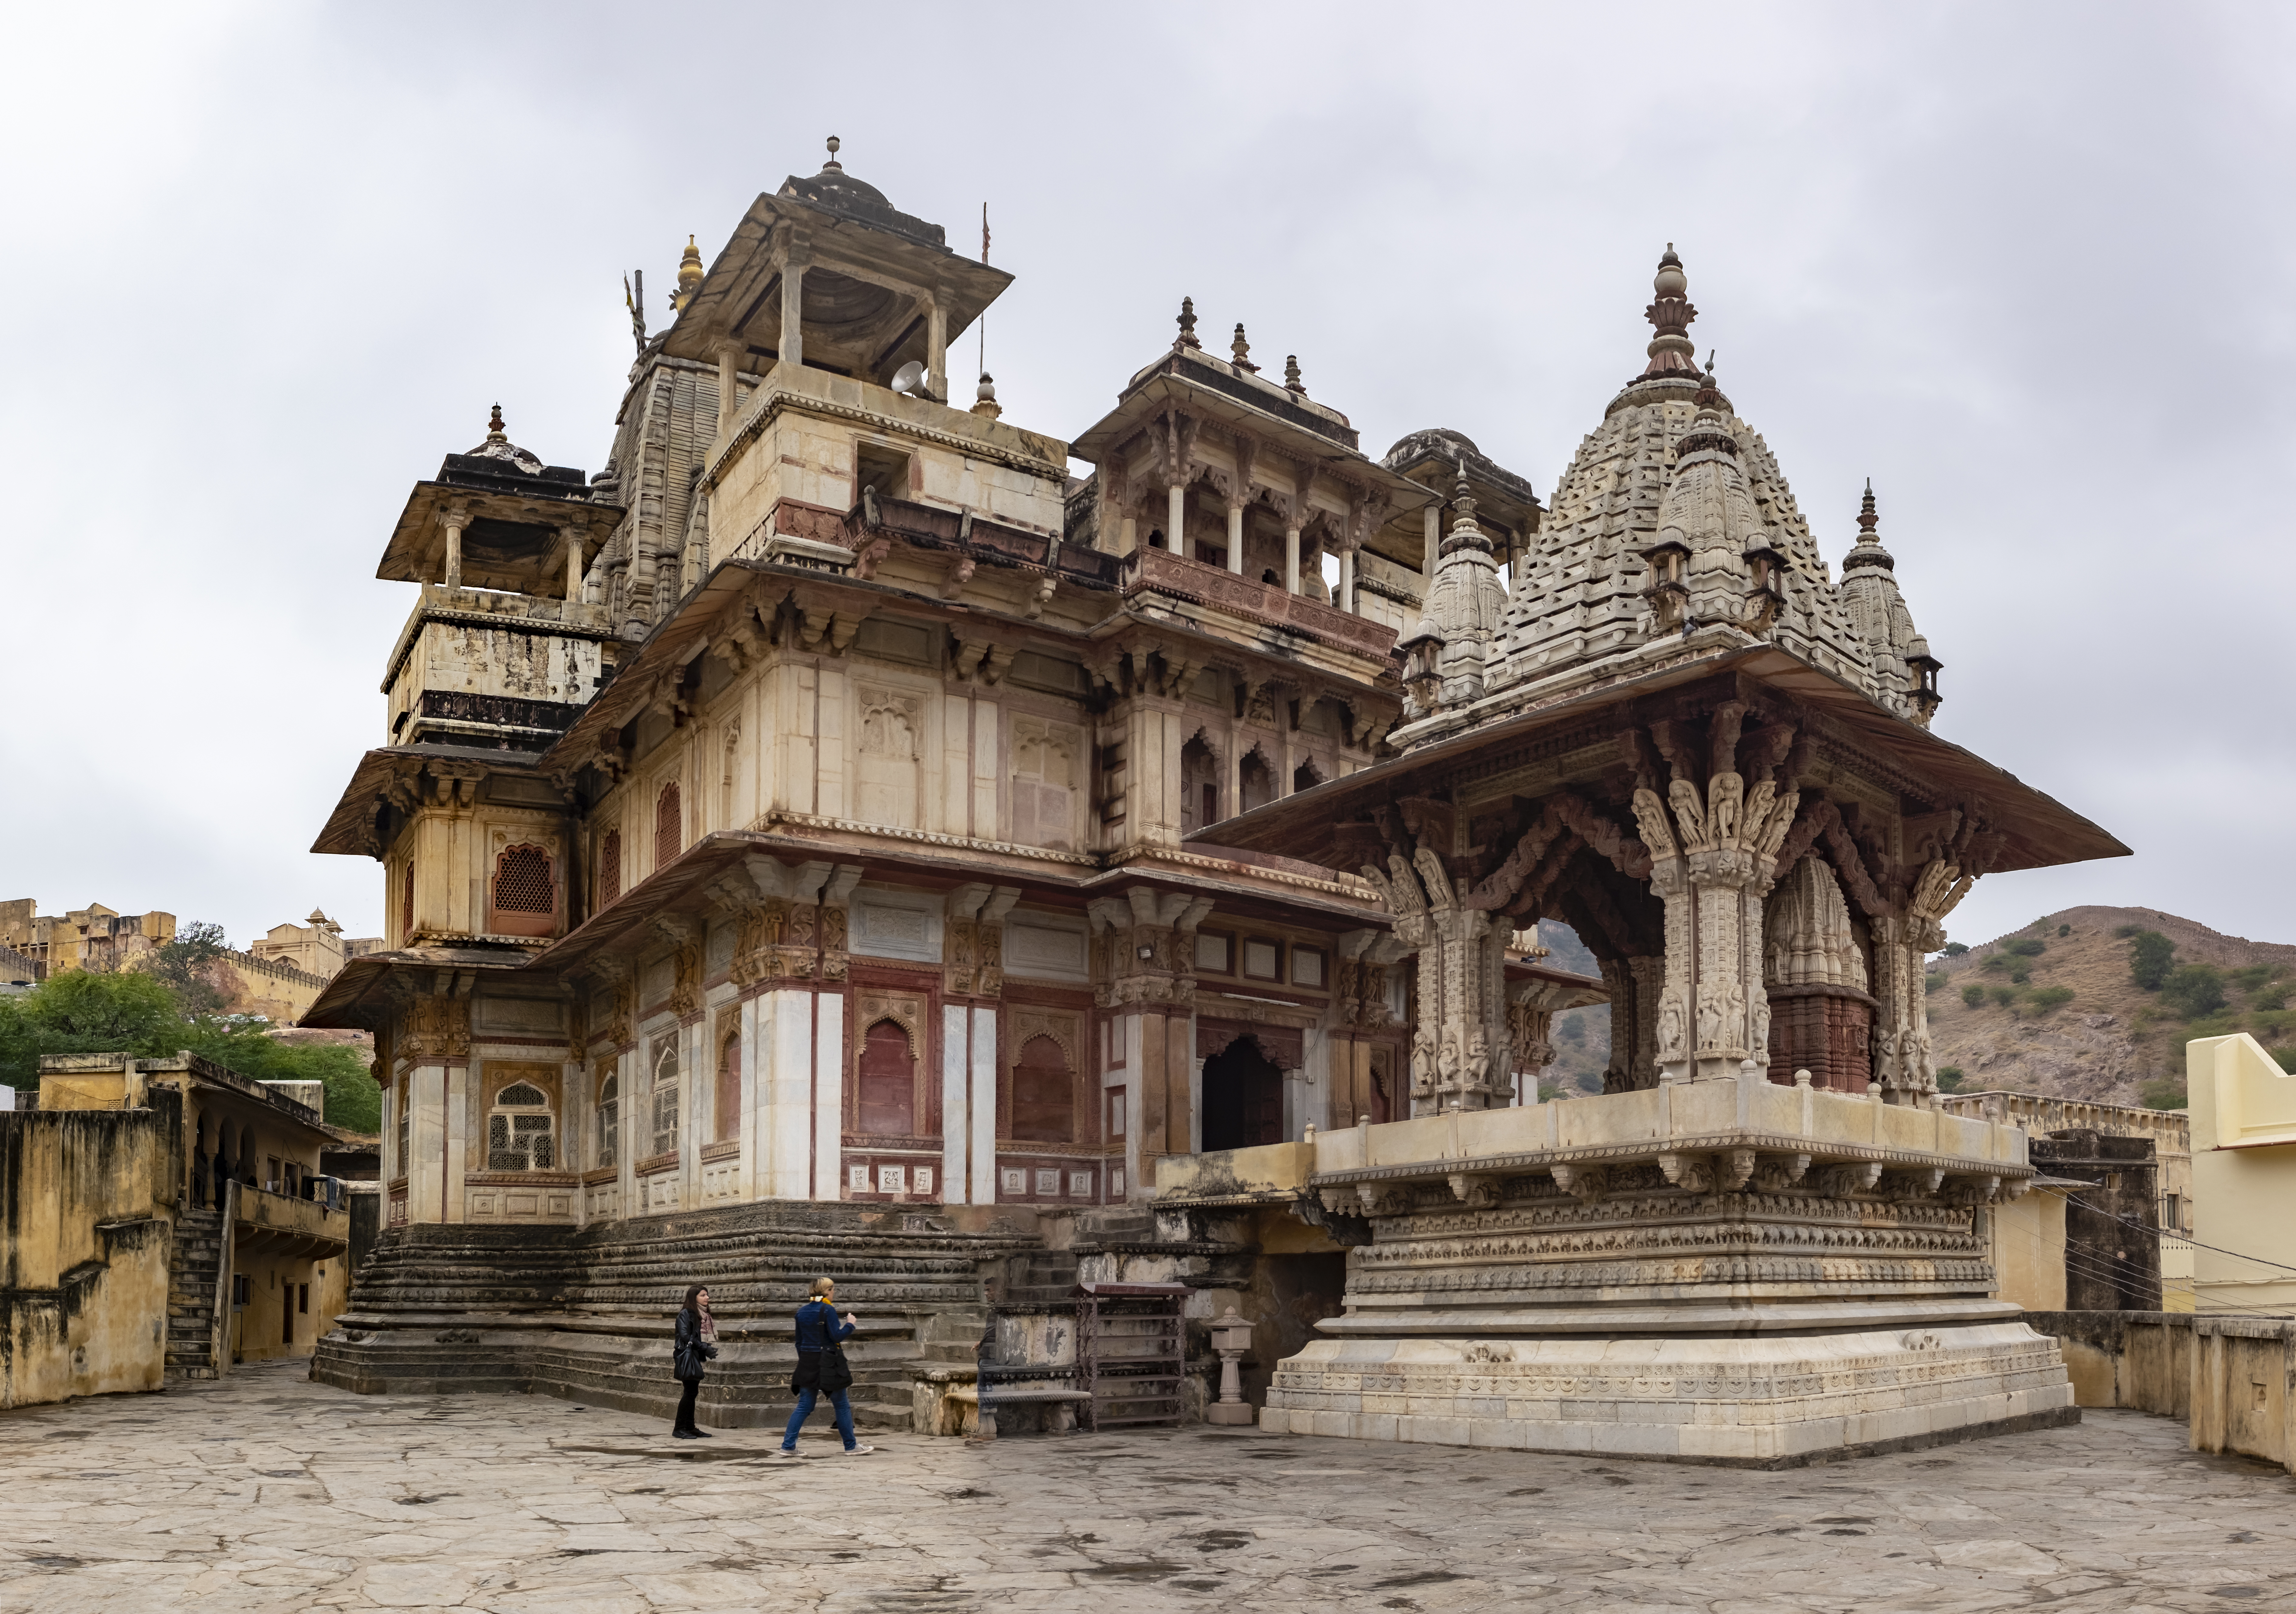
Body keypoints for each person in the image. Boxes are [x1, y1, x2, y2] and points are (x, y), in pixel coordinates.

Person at [778, 1277, 873, 1457]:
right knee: (842, 1405)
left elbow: (799, 1343)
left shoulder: (802, 1312)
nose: (834, 1292)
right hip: (829, 1363)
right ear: (827, 1291)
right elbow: (837, 1337)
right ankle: (851, 1446)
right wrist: (851, 1324)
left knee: (805, 1405)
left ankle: (788, 1446)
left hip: (807, 1361)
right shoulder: (828, 1309)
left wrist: (807, 1359)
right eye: (833, 1289)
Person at [671, 1284, 718, 1439]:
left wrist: (706, 1350)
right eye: (703, 1295)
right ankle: (679, 1428)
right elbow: (685, 1337)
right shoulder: (686, 1314)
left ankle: (690, 1427)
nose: (707, 1298)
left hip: (696, 1356)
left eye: (707, 1295)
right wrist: (705, 1348)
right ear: (694, 1298)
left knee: (692, 1392)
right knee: (689, 1393)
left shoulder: (702, 1314)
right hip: (687, 1356)